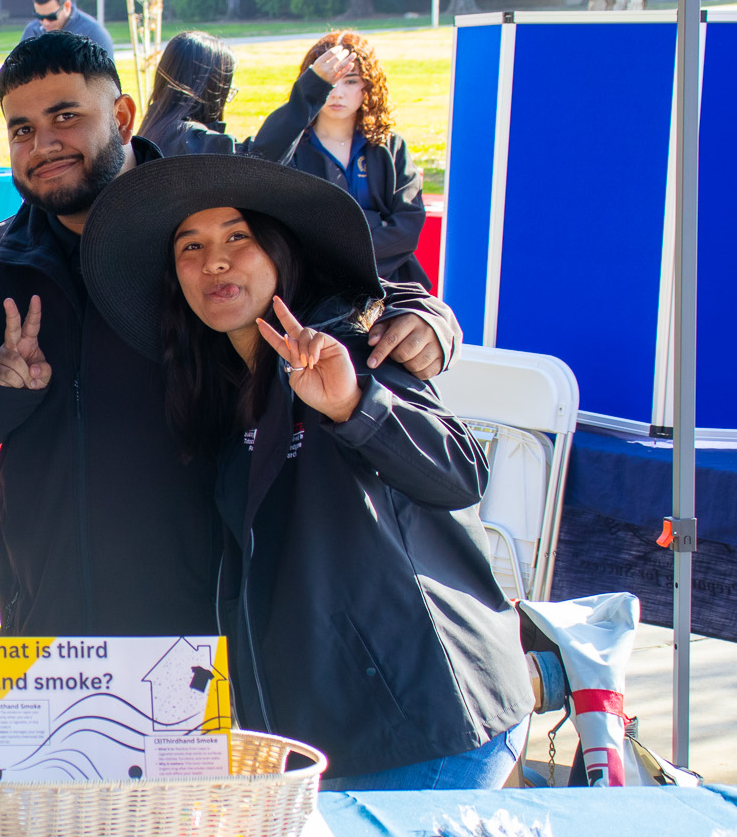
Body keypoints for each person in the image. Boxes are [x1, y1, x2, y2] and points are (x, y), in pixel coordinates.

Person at [0, 30, 459, 640]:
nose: (44, 144)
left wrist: (430, 319)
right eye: (22, 129)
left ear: (122, 115)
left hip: (205, 618)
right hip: (48, 618)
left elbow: (341, 286)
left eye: (65, 116)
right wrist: (7, 391)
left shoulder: (205, 223)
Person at [79, 156, 533, 786]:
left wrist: (355, 407)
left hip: (424, 720)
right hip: (318, 730)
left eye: (238, 237)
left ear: (280, 252)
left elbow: (459, 474)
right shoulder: (215, 386)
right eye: (192, 245)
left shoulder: (350, 344)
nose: (214, 262)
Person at [246, 29, 429, 287]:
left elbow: (408, 226)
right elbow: (288, 227)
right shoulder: (291, 144)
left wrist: (345, 254)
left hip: (389, 284)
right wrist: (375, 222)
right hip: (315, 287)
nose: (337, 93)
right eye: (328, 82)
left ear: (369, 86)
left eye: (351, 81)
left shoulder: (390, 145)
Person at [135, 30, 240, 156]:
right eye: (226, 92)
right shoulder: (195, 142)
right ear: (211, 91)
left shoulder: (154, 127)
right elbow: (257, 156)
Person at [19, 0, 115, 55]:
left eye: (51, 16)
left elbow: (106, 78)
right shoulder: (31, 32)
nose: (45, 22)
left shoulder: (93, 33)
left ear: (67, 6)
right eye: (39, 16)